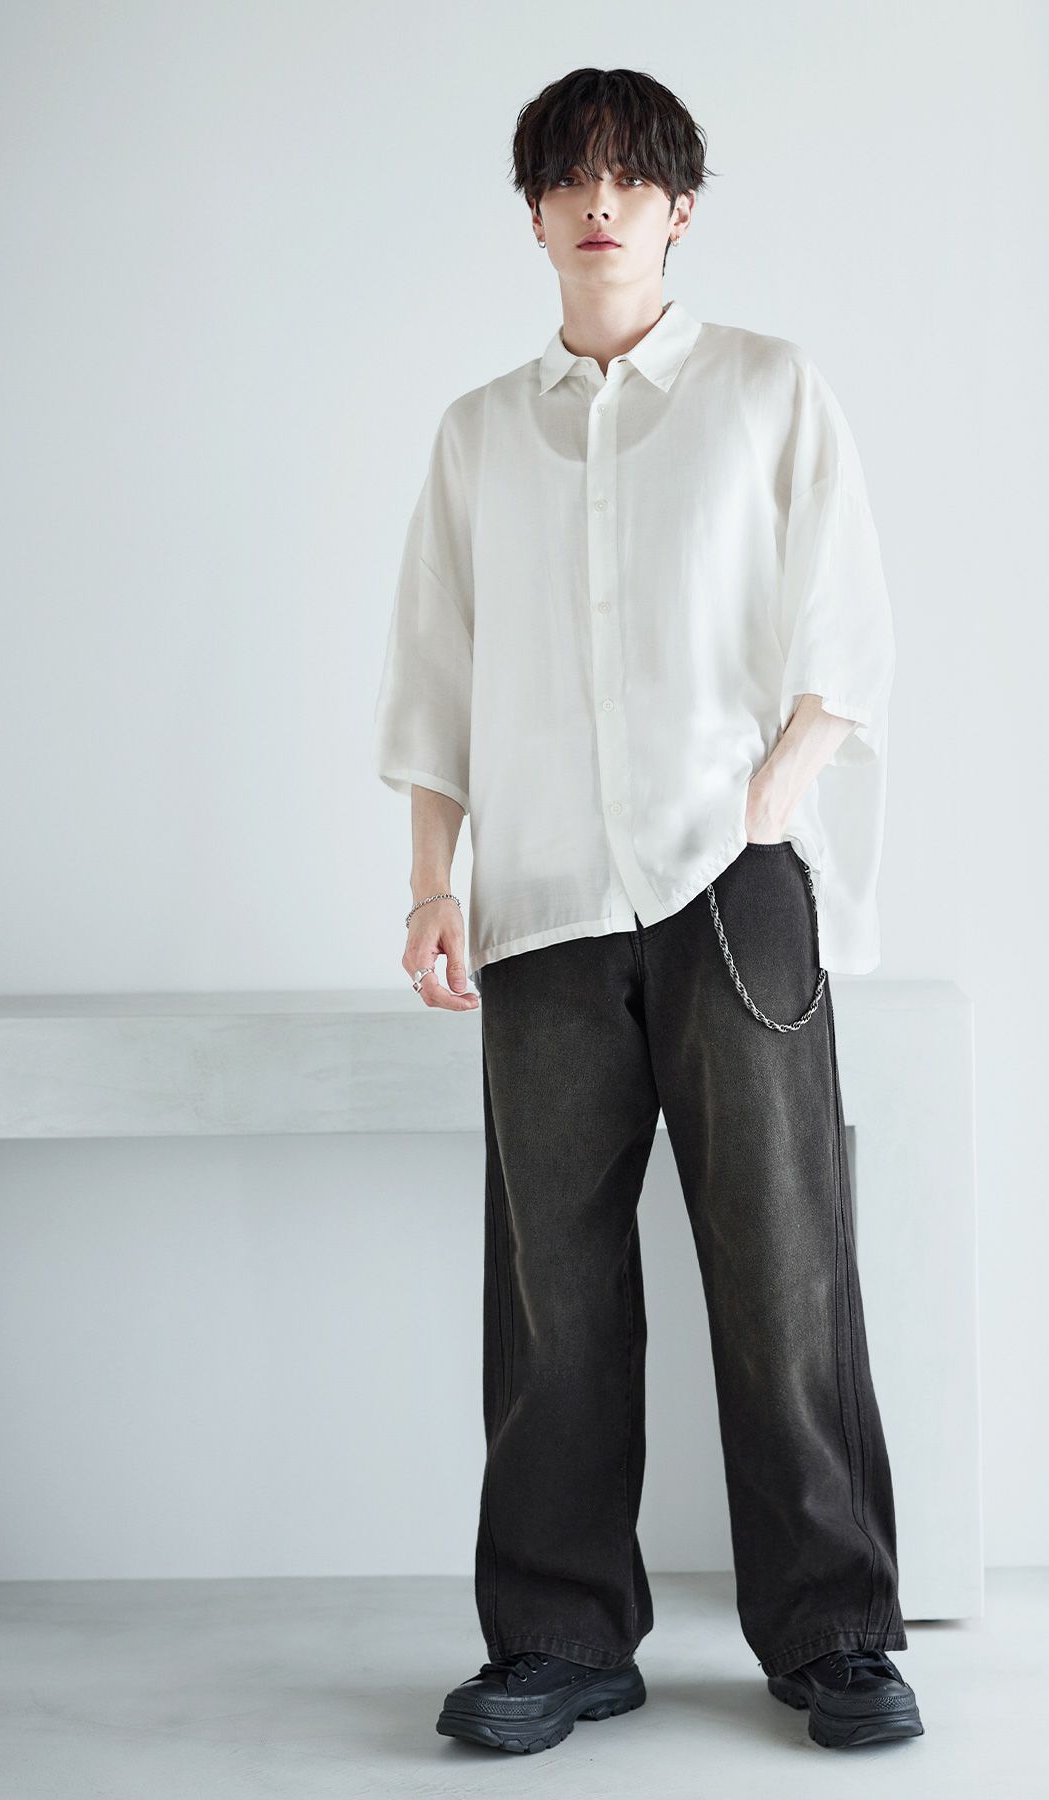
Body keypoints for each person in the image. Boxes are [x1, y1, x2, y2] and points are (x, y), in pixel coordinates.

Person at [372, 66, 922, 1755]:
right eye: (570, 178)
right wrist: (432, 881)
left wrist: (765, 804)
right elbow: (436, 678)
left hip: (732, 891)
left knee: (785, 1265)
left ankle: (836, 1636)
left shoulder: (765, 389)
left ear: (681, 208)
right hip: (541, 899)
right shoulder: (479, 435)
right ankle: (557, 1637)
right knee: (554, 1292)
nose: (599, 203)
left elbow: (848, 629)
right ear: (534, 210)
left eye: (631, 178)